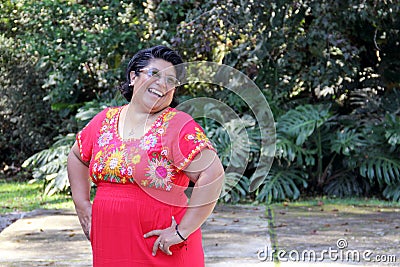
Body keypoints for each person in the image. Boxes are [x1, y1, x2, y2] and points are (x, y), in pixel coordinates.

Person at [67, 45, 225, 267]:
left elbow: (213, 174)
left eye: (171, 81)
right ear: (133, 76)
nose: (162, 84)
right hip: (110, 245)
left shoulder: (177, 126)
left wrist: (182, 231)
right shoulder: (104, 121)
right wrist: (82, 205)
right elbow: (77, 156)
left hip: (161, 248)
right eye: (154, 74)